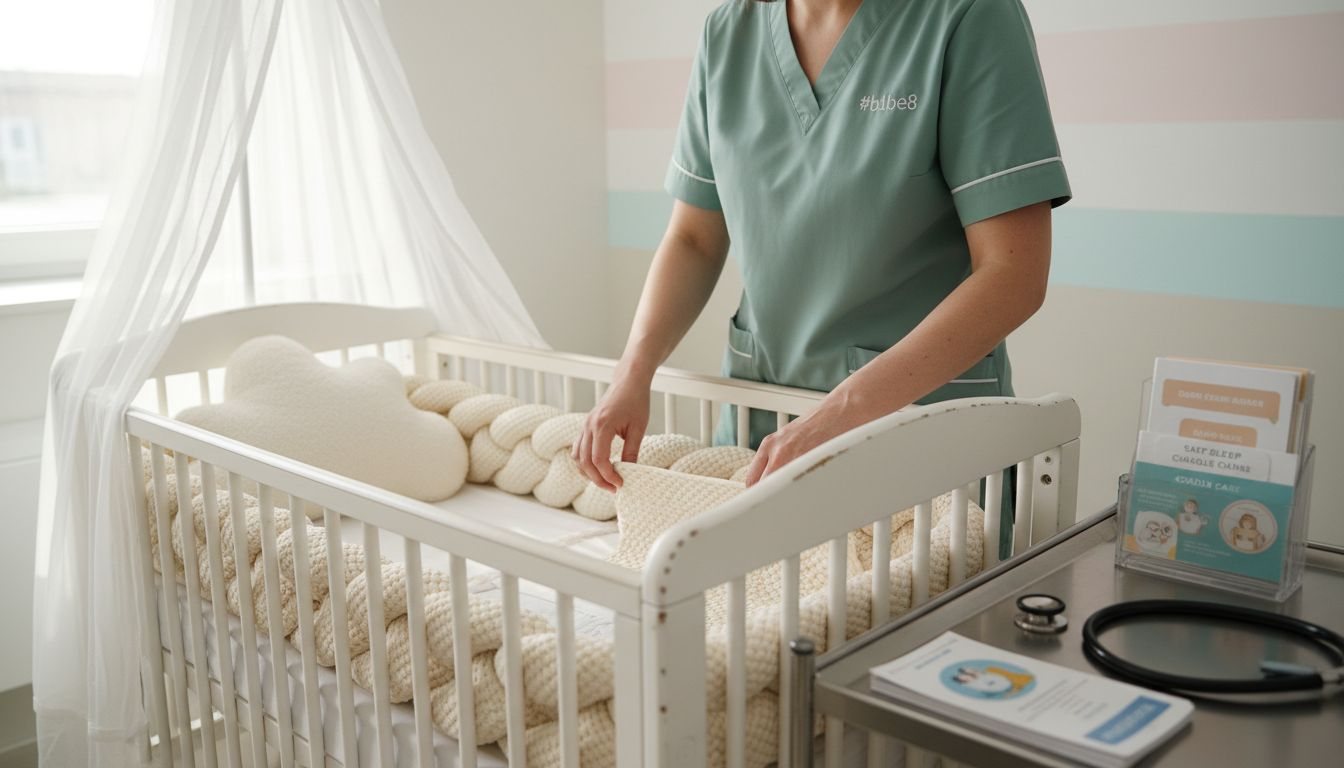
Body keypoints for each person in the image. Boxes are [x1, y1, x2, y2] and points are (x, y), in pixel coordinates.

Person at [575, 0, 1070, 500]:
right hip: (760, 430)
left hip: (920, 439)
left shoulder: (968, 16)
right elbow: (693, 239)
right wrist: (632, 373)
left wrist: (836, 415)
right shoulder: (728, 32)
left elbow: (1013, 276)